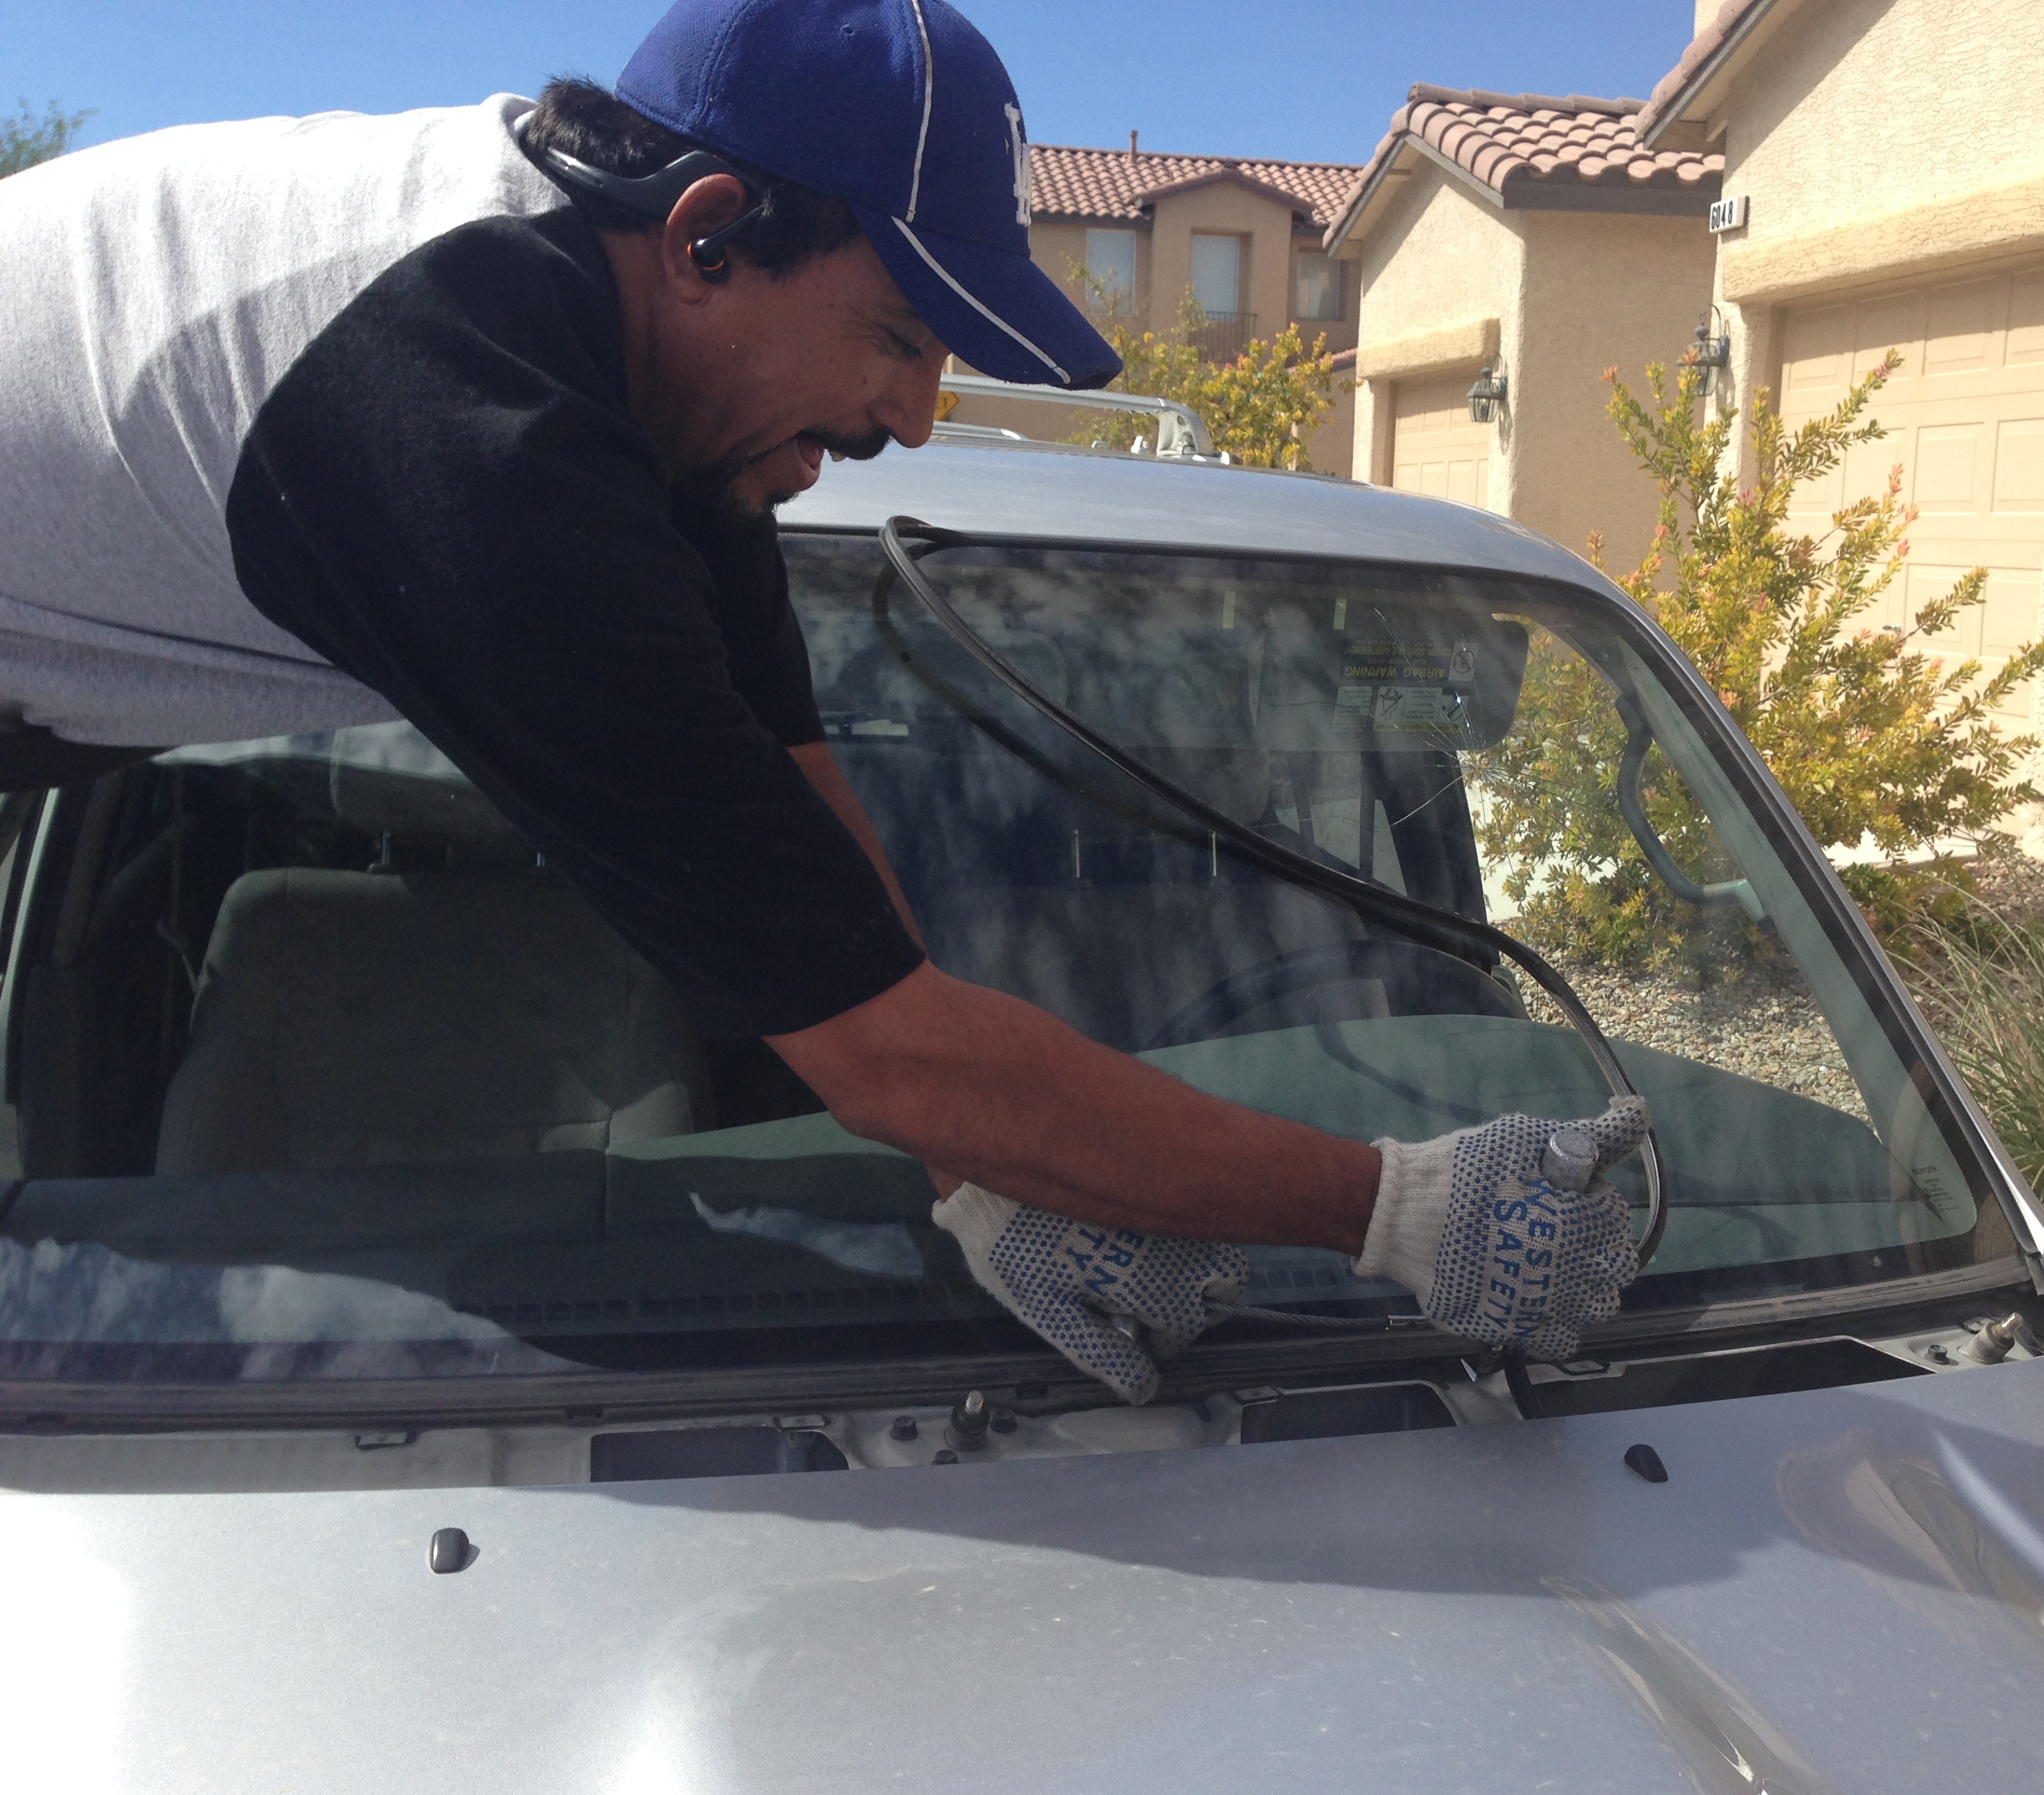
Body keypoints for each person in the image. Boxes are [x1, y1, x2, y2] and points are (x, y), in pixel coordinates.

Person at [0, 0, 1645, 1400]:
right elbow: (878, 1049)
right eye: (898, 338)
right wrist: (1397, 1213)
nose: (917, 419)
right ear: (708, 234)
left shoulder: (638, 368)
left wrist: (981, 1178)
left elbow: (803, 799)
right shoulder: (476, 433)